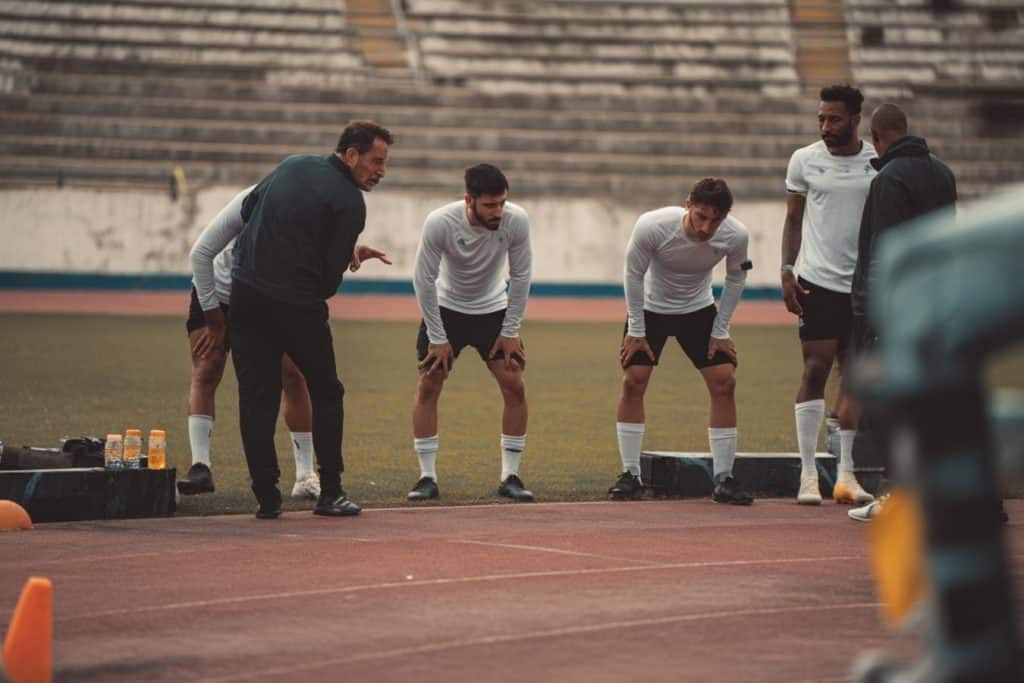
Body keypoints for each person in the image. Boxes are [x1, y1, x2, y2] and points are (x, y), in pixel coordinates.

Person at [229, 120, 393, 519]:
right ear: (350, 154)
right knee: (326, 391)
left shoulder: (292, 165)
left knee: (257, 398)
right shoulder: (351, 203)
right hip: (297, 304)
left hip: (245, 295)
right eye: (376, 161)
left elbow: (249, 211)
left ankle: (266, 498)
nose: (381, 171)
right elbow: (328, 279)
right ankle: (331, 491)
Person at [609, 177, 754, 505]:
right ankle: (630, 474)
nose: (706, 228)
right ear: (688, 205)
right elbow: (633, 274)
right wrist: (636, 329)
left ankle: (724, 478)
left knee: (724, 381)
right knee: (634, 380)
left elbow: (736, 276)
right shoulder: (653, 226)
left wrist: (721, 330)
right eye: (701, 216)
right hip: (650, 309)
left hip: (698, 309)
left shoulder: (735, 235)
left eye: (716, 220)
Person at [847, 103, 958, 522]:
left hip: (898, 307)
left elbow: (884, 251)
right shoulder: (943, 173)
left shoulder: (889, 179)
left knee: (891, 404)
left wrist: (871, 311)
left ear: (876, 137)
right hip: (939, 300)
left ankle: (896, 497)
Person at [181, 186, 320, 501]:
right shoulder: (252, 201)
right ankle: (200, 466)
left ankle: (305, 474)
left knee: (293, 374)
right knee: (207, 366)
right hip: (216, 290)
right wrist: (215, 321)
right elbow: (200, 254)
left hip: (264, 296)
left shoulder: (311, 213)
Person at [408, 164, 534, 502]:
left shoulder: (516, 220)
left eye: (502, 203)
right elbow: (423, 280)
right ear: (469, 200)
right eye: (489, 205)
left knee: (514, 384)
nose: (498, 212)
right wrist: (437, 336)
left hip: (493, 308)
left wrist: (511, 330)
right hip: (447, 309)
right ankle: (426, 478)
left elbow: (521, 276)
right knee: (429, 384)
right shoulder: (441, 223)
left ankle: (510, 476)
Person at [781, 84, 876, 507]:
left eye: (834, 119)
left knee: (853, 378)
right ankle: (806, 475)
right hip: (815, 283)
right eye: (821, 118)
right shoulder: (804, 160)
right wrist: (786, 270)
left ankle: (845, 475)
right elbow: (793, 219)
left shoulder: (877, 161)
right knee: (815, 368)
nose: (825, 126)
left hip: (862, 288)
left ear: (856, 118)